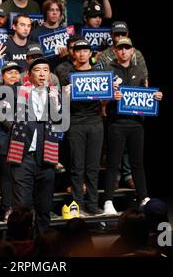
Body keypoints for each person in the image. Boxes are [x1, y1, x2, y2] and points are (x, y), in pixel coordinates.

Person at [102, 38, 163, 215]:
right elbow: (102, 99)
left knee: (138, 163)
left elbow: (146, 93)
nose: (123, 51)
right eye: (120, 48)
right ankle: (108, 201)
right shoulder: (109, 70)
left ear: (132, 50)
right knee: (113, 163)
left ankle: (144, 198)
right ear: (115, 50)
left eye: (127, 48)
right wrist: (112, 97)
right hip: (116, 123)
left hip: (136, 124)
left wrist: (155, 97)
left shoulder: (139, 70)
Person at [7, 57, 61, 234]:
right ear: (29, 74)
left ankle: (43, 247)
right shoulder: (18, 91)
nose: (42, 74)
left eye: (46, 70)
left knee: (44, 210)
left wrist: (56, 102)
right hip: (24, 158)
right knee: (22, 210)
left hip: (46, 159)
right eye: (38, 70)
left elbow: (61, 121)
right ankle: (20, 246)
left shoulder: (54, 93)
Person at [64, 39, 105, 216]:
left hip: (95, 121)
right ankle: (78, 204)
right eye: (78, 50)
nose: (81, 54)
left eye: (85, 50)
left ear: (90, 53)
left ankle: (92, 204)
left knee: (93, 166)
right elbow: (62, 104)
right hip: (76, 122)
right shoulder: (68, 74)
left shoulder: (100, 74)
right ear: (74, 53)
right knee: (77, 167)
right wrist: (66, 94)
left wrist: (111, 93)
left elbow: (104, 101)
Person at [0, 61, 23, 221]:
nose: (14, 75)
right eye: (9, 72)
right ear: (2, 76)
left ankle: (22, 208)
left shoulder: (25, 91)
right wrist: (18, 127)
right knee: (7, 176)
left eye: (16, 72)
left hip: (24, 138)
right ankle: (8, 208)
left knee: (22, 175)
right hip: (4, 138)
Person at [96, 21, 148, 85]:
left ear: (127, 34)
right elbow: (99, 80)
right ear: (111, 35)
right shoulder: (103, 55)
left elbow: (145, 78)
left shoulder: (137, 54)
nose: (120, 36)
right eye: (117, 34)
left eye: (123, 34)